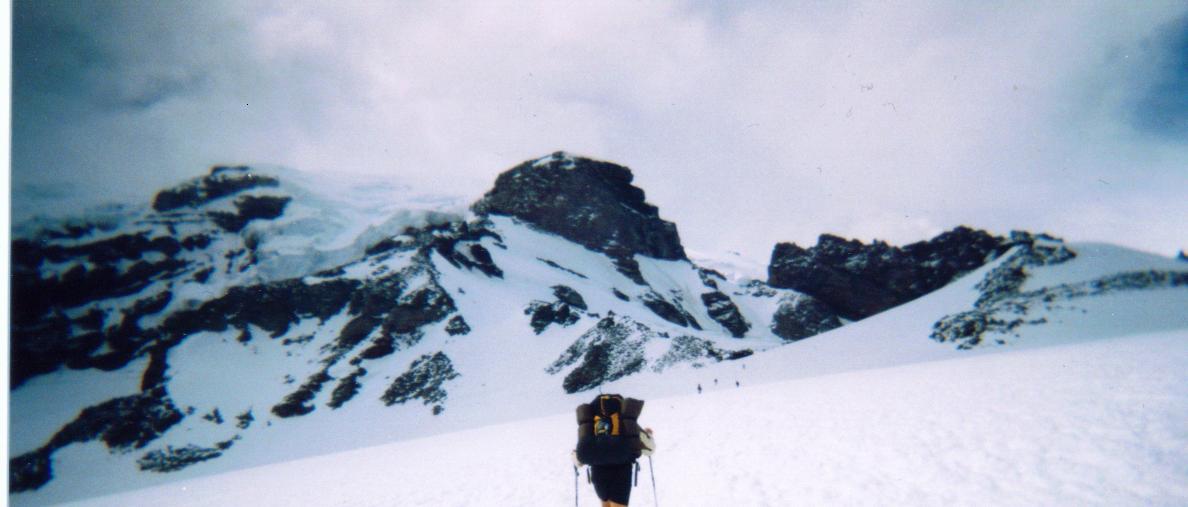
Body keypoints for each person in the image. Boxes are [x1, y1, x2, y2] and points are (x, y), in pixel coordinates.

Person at [573, 395, 655, 506]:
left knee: (605, 504)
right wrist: (648, 434)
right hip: (621, 472)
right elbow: (649, 449)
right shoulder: (626, 422)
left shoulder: (592, 425)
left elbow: (579, 458)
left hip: (598, 473)